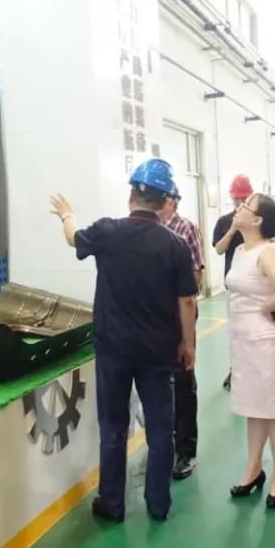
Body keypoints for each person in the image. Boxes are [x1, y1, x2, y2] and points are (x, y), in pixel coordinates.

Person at [49, 158, 197, 523]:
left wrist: (67, 214)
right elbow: (187, 302)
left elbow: (72, 238)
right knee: (160, 428)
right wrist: (188, 344)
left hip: (113, 349)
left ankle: (112, 503)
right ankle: (158, 504)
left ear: (131, 194)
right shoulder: (175, 245)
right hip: (158, 351)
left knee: (113, 427)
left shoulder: (107, 231)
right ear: (164, 201)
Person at [226, 193, 275, 509]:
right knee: (253, 408)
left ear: (257, 221)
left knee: (272, 411)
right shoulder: (241, 250)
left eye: (246, 206)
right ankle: (254, 468)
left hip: (265, 341)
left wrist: (265, 307)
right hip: (242, 341)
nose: (239, 208)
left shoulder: (267, 252)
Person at [160, 184, 205, 481]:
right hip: (153, 317)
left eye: (163, 198)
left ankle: (186, 451)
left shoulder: (186, 229)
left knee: (183, 379)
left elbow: (197, 272)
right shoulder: (148, 228)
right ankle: (163, 442)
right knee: (157, 380)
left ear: (173, 201)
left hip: (180, 314)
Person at [213, 174, 254, 391]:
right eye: (237, 199)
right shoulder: (224, 222)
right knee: (236, 333)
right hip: (235, 288)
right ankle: (236, 370)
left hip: (257, 287)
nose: (240, 203)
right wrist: (233, 229)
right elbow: (219, 249)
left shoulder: (259, 220)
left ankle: (254, 372)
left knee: (255, 332)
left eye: (244, 199)